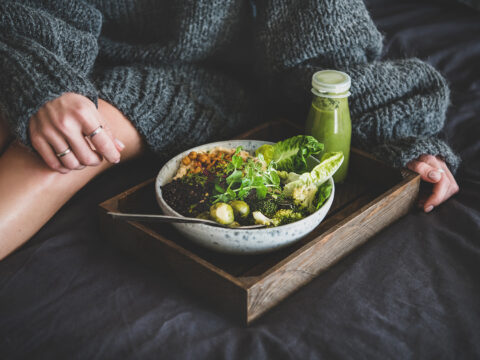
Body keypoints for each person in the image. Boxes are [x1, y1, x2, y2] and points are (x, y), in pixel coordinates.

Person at [0, 0, 459, 260]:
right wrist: (41, 81)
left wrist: (399, 141)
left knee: (60, 150)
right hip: (46, 45)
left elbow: (330, 66)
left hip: (202, 78)